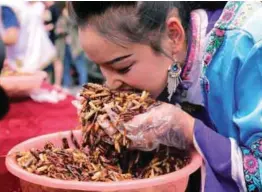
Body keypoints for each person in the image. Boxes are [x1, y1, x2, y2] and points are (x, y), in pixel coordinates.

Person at [69, 1, 262, 192]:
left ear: (173, 35)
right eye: (99, 68)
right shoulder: (168, 66)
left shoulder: (249, 46)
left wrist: (188, 129)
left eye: (122, 67)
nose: (110, 84)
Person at [0, 1, 56, 74]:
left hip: (21, 61)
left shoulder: (7, 6)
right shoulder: (20, 5)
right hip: (30, 57)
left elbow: (11, 38)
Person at [55, 6, 88, 88]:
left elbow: (73, 24)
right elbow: (57, 30)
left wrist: (68, 17)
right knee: (66, 67)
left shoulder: (74, 19)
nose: (65, 12)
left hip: (75, 47)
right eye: (64, 10)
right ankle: (66, 85)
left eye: (67, 10)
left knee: (80, 67)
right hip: (64, 47)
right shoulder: (61, 19)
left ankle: (83, 86)